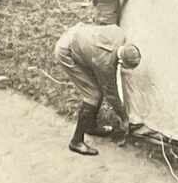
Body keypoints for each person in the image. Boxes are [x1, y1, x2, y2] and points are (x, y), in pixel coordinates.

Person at [54, 22, 143, 156]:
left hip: (79, 36)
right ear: (122, 62)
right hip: (66, 51)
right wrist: (123, 117)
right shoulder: (106, 64)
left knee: (96, 89)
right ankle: (76, 141)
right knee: (93, 95)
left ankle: (90, 126)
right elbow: (111, 93)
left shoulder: (118, 32)